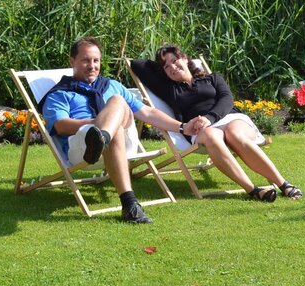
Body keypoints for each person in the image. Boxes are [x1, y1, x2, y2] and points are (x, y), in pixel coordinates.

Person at [41, 37, 200, 224]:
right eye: (85, 60)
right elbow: (60, 125)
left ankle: (103, 138)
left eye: (96, 60)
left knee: (116, 102)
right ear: (72, 61)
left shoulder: (112, 85)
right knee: (114, 117)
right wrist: (97, 122)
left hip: (121, 143)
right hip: (83, 148)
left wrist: (182, 127)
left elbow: (148, 112)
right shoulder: (60, 93)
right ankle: (129, 204)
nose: (92, 66)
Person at [130, 45, 303, 202]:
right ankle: (253, 190)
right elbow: (137, 64)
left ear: (185, 58)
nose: (173, 67)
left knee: (235, 134)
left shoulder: (213, 78)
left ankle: (283, 184)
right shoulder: (169, 89)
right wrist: (162, 64)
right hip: (200, 129)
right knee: (212, 136)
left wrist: (210, 118)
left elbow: (227, 99)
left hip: (230, 118)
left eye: (175, 61)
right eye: (167, 67)